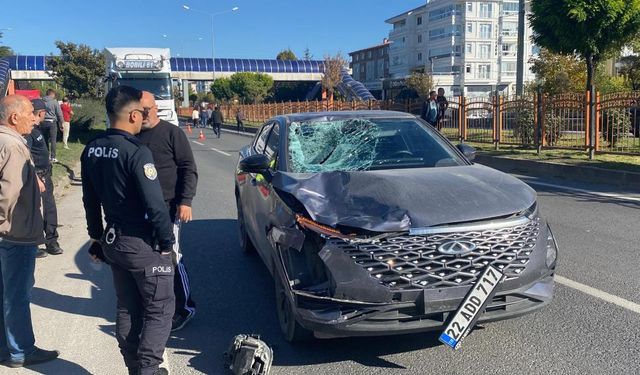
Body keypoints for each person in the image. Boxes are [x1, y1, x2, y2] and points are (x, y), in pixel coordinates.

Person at [81, 86, 175, 375]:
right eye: (144, 113)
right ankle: (148, 369)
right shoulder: (137, 152)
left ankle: (134, 366)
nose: (144, 118)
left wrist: (96, 238)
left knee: (127, 307)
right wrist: (166, 242)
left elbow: (89, 199)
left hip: (114, 241)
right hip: (142, 244)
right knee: (160, 309)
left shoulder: (92, 148)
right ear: (134, 114)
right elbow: (155, 204)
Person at [0, 95, 60, 368]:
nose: (34, 119)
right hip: (14, 234)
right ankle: (21, 350)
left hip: (10, 234)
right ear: (14, 117)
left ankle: (8, 346)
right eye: (29, 114)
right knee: (17, 296)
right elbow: (8, 194)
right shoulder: (13, 146)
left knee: (6, 294)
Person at [137, 91, 198, 332]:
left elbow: (188, 168)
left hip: (168, 207)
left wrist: (186, 201)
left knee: (171, 257)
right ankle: (154, 305)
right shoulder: (132, 136)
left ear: (154, 109)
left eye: (146, 110)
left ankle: (184, 308)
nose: (142, 115)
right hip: (139, 209)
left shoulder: (172, 133)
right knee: (144, 259)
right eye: (138, 111)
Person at [26, 98, 63, 257]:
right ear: (41, 113)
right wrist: (36, 177)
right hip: (37, 176)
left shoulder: (38, 129)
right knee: (35, 210)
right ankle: (34, 244)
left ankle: (51, 240)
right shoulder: (29, 132)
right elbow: (27, 157)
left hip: (45, 174)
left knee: (49, 208)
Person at [42, 89, 63, 162]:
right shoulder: (54, 102)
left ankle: (45, 156)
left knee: (44, 140)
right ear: (52, 94)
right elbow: (59, 113)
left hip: (43, 122)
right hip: (52, 122)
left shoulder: (42, 101)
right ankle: (53, 157)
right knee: (53, 140)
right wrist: (61, 123)